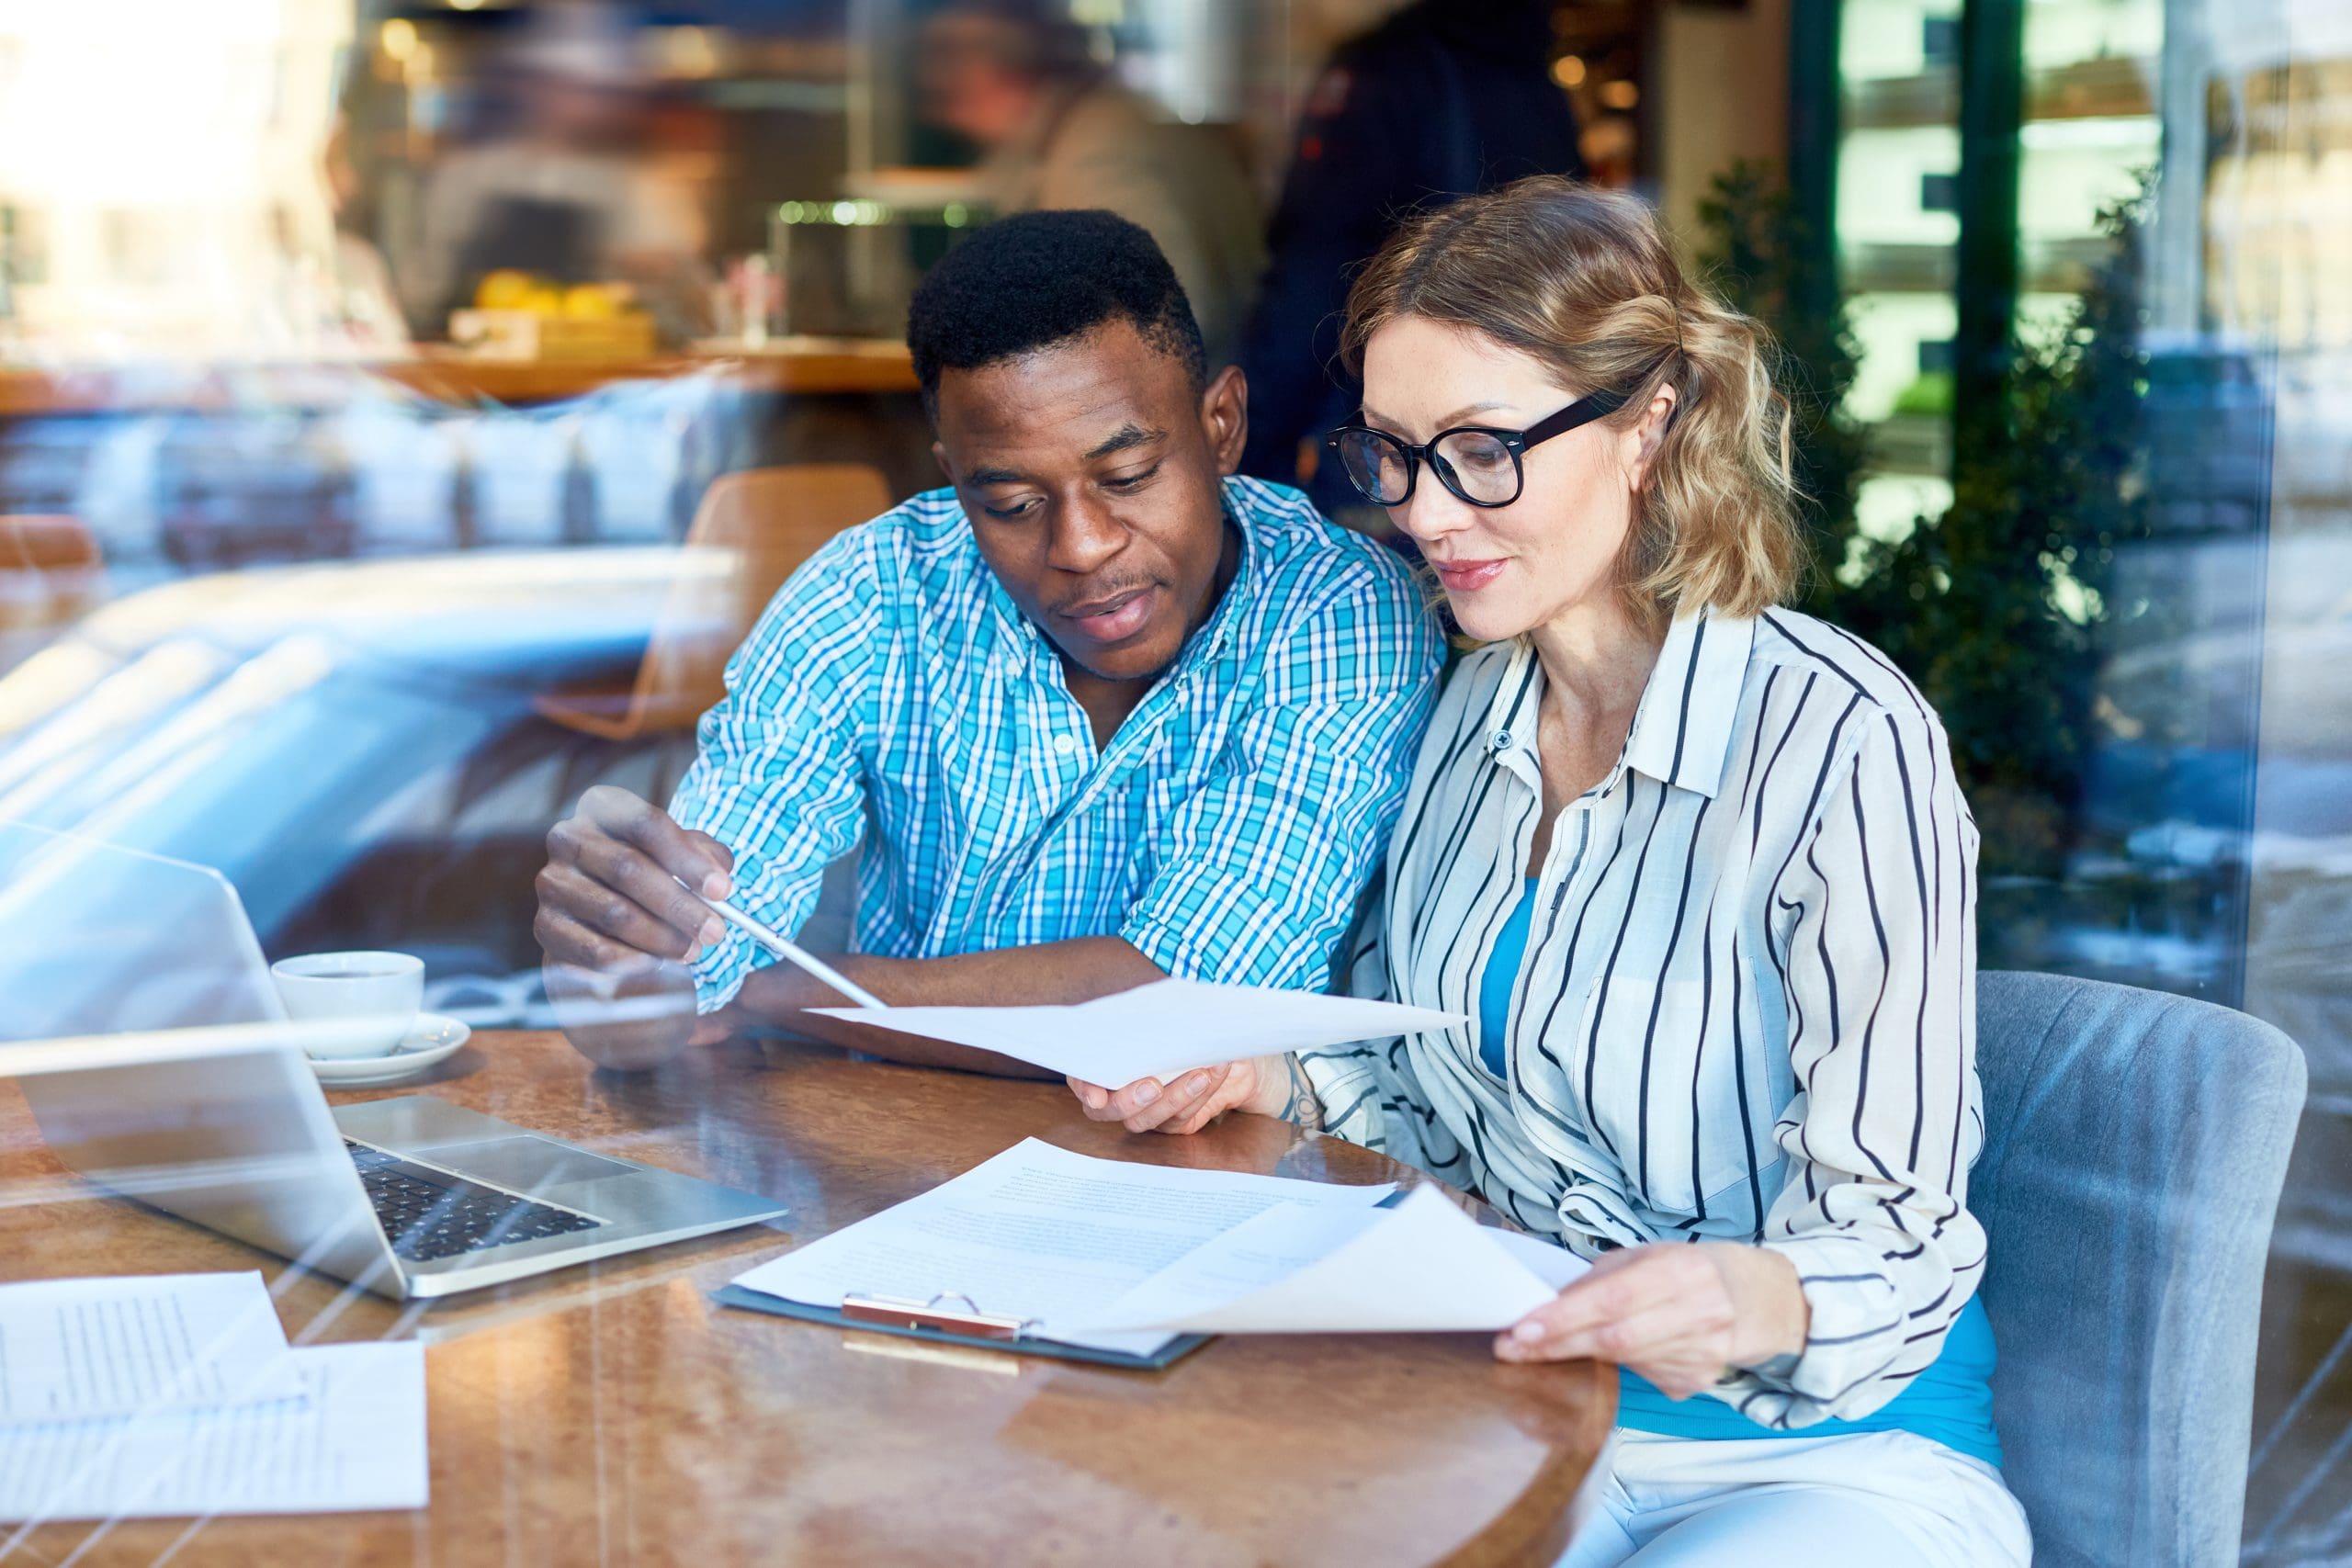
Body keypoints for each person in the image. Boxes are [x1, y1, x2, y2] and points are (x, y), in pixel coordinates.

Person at [1069, 180, 2031, 1567]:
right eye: (1394, 454)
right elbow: (1438, 1090)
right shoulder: (1468, 714)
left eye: (1480, 449)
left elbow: (1901, 1229)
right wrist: (1262, 1072)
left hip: (1826, 1461)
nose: (1423, 512)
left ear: (1651, 419)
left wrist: (1744, 1294)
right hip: (1515, 1416)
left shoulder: (1838, 739)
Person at [534, 209, 1443, 1076]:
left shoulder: (1339, 612)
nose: (1081, 547)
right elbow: (693, 952)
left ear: (1221, 427)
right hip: (892, 1157)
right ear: (954, 480)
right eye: (1010, 504)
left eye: (1126, 476)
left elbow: (1186, 1004)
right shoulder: (874, 594)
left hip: (1206, 1182)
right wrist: (624, 959)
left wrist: (783, 996)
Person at [1235, 0, 1584, 520]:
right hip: (1518, 447)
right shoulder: (1537, 79)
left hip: (1394, 454)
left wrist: (1245, 451)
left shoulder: (1387, 75)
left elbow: (1312, 279)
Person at [918, 0, 1265, 363]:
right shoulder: (1085, 131)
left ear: (1004, 74)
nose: (935, 86)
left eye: (948, 66)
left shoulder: (1098, 154)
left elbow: (1166, 326)